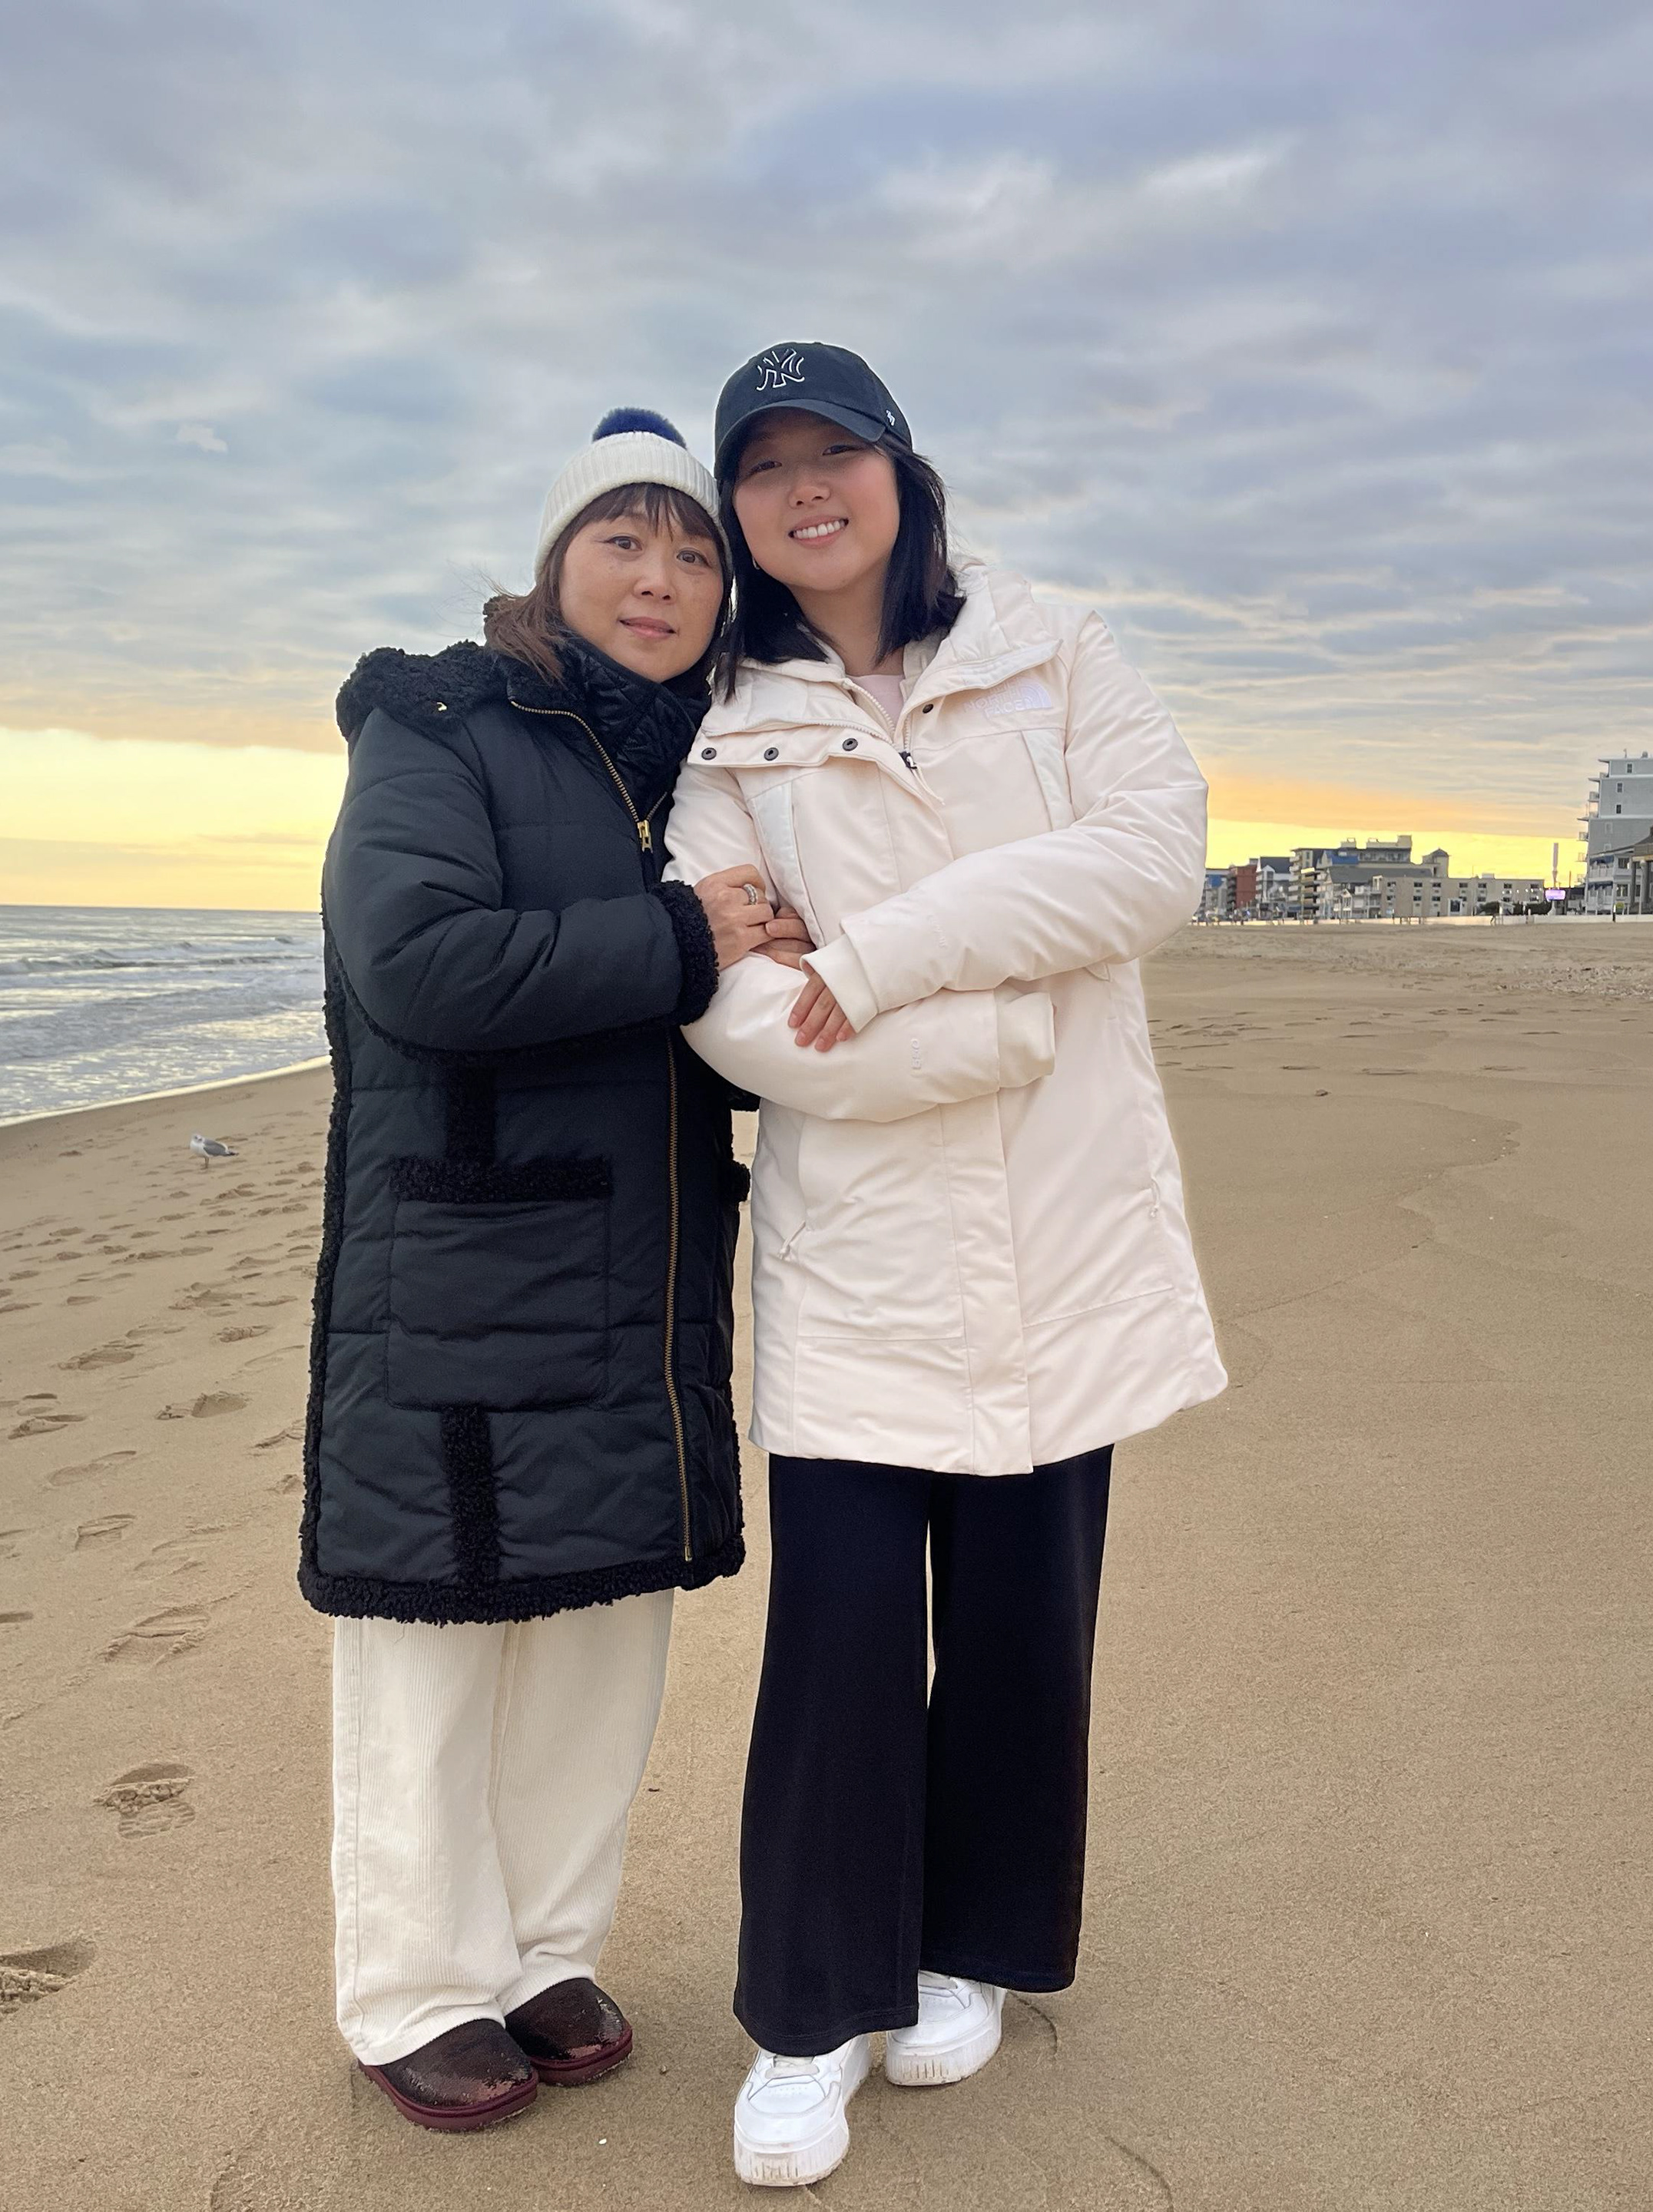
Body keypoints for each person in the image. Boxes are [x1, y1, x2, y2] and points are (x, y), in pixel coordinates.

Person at [665, 344, 1228, 2189]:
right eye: (765, 466)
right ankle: (808, 2013)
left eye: (834, 451)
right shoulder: (725, 722)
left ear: (902, 471)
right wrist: (994, 1028)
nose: (803, 489)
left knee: (1021, 1622)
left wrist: (883, 954)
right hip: (864, 1249)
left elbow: (1145, 865)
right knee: (833, 1644)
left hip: (1069, 1227)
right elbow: (737, 1008)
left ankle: (967, 1947)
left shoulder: (1054, 651)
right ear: (742, 508)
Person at [301, 408, 807, 2135]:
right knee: (438, 1642)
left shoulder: (715, 754)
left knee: (602, 1632)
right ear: (555, 563)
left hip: (643, 1264)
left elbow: (730, 999)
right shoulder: (440, 718)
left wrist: (781, 965)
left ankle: (539, 1954)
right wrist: (686, 936)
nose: (660, 579)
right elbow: (419, 963)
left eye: (693, 552)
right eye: (624, 541)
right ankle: (414, 1987)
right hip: (464, 1258)